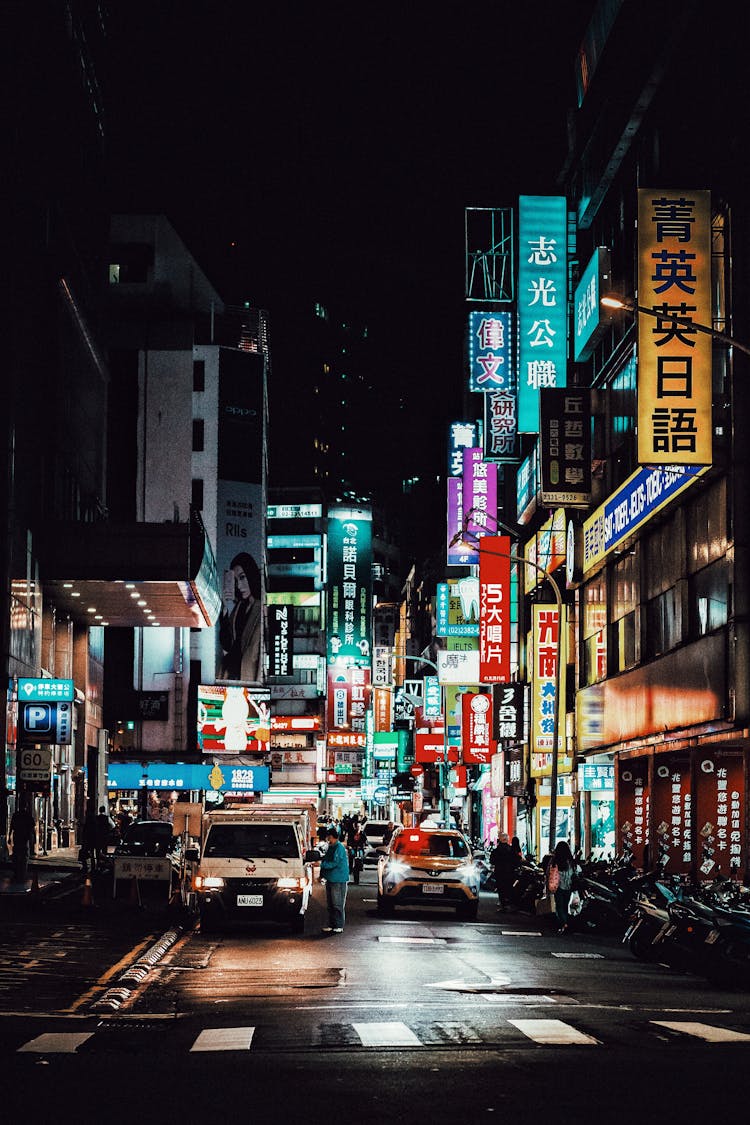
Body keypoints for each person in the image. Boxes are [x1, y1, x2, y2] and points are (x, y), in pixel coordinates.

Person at [218, 551, 262, 681]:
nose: (239, 585)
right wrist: (225, 608)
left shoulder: (261, 609)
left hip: (248, 675)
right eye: (236, 580)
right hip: (230, 673)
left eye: (242, 577)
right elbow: (227, 643)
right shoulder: (239, 608)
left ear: (251, 575)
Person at [318, 825, 350, 933]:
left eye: (329, 838)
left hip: (338, 879)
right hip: (331, 878)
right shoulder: (332, 847)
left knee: (337, 903)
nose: (328, 840)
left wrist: (322, 866)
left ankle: (339, 925)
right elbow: (327, 860)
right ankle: (332, 924)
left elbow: (334, 863)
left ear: (334, 837)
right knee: (331, 904)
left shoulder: (339, 848)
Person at [550, 840, 579, 934]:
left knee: (559, 906)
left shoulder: (555, 860)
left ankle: (563, 923)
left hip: (558, 886)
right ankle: (565, 923)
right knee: (565, 905)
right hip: (569, 886)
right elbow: (576, 872)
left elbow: (550, 872)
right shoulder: (571, 861)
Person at [9, 800, 36, 884]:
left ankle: (17, 872)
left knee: (16, 855)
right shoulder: (28, 815)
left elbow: (11, 826)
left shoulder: (15, 815)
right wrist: (34, 838)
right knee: (24, 856)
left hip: (17, 837)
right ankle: (23, 872)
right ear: (26, 806)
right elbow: (32, 828)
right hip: (25, 838)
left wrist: (9, 837)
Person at [490, 832, 517, 910]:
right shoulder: (512, 850)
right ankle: (508, 904)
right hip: (510, 873)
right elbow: (516, 861)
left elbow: (492, 861)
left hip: (499, 872)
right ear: (507, 840)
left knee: (501, 889)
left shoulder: (496, 850)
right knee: (508, 888)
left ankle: (503, 905)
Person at [94, 805, 115, 869]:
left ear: (99, 810)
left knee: (97, 850)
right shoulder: (107, 818)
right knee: (104, 850)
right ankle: (104, 863)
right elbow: (113, 825)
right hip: (105, 836)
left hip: (97, 836)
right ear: (104, 810)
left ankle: (98, 862)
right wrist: (108, 830)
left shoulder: (96, 817)